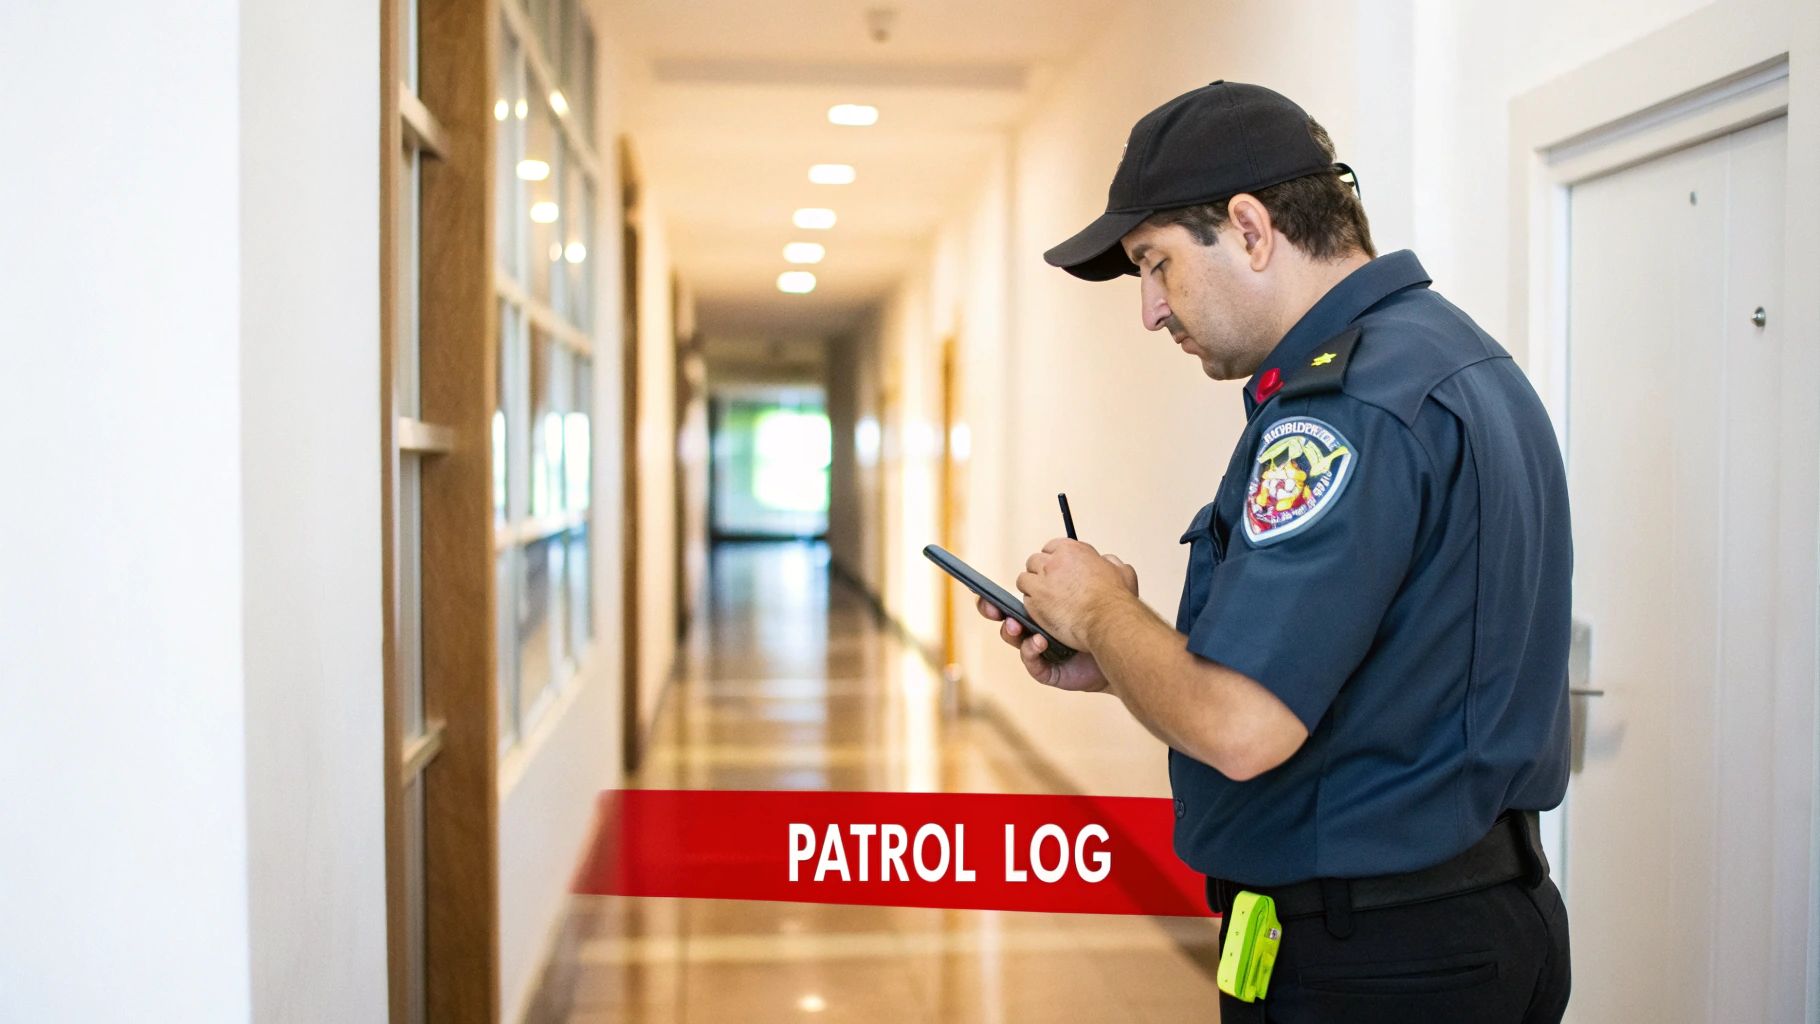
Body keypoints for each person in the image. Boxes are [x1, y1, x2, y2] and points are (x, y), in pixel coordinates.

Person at [975, 81, 1573, 1022]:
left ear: (1251, 229)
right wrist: (1120, 658)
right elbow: (1370, 681)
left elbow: (1242, 726)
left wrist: (1101, 607)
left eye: (1156, 264)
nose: (1150, 309)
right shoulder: (1452, 360)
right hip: (1456, 930)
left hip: (1379, 962)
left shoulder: (1345, 412)